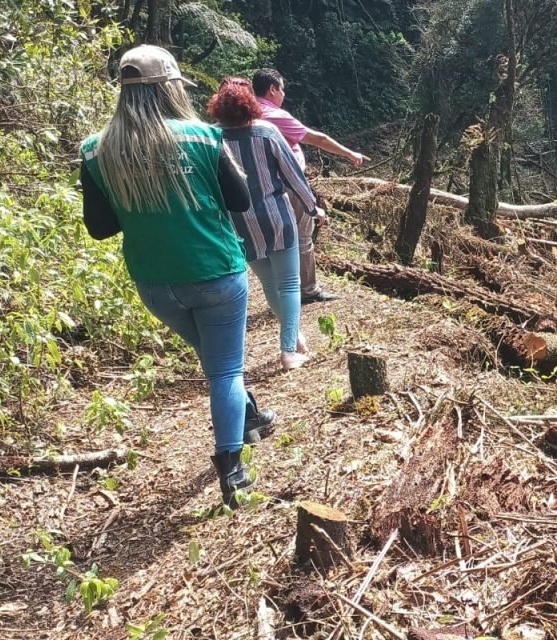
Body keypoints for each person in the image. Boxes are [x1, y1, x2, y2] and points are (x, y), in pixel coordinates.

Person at [79, 45, 273, 507]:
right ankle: (232, 467)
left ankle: (250, 416)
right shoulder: (204, 137)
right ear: (170, 89)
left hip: (155, 284)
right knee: (225, 368)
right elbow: (241, 200)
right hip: (217, 273)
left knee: (216, 359)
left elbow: (100, 227)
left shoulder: (96, 148)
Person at [207, 77, 318, 370]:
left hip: (240, 225)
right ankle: (289, 350)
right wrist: (312, 207)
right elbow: (294, 174)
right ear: (250, 104)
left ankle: (294, 338)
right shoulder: (267, 132)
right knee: (290, 284)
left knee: (270, 284)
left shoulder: (212, 138)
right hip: (277, 219)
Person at [252, 68, 369, 304]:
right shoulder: (274, 116)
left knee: (275, 235)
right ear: (272, 89)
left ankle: (280, 285)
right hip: (286, 184)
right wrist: (349, 154)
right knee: (302, 234)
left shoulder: (245, 111)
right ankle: (307, 290)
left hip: (258, 186)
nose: (283, 94)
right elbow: (318, 139)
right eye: (282, 89)